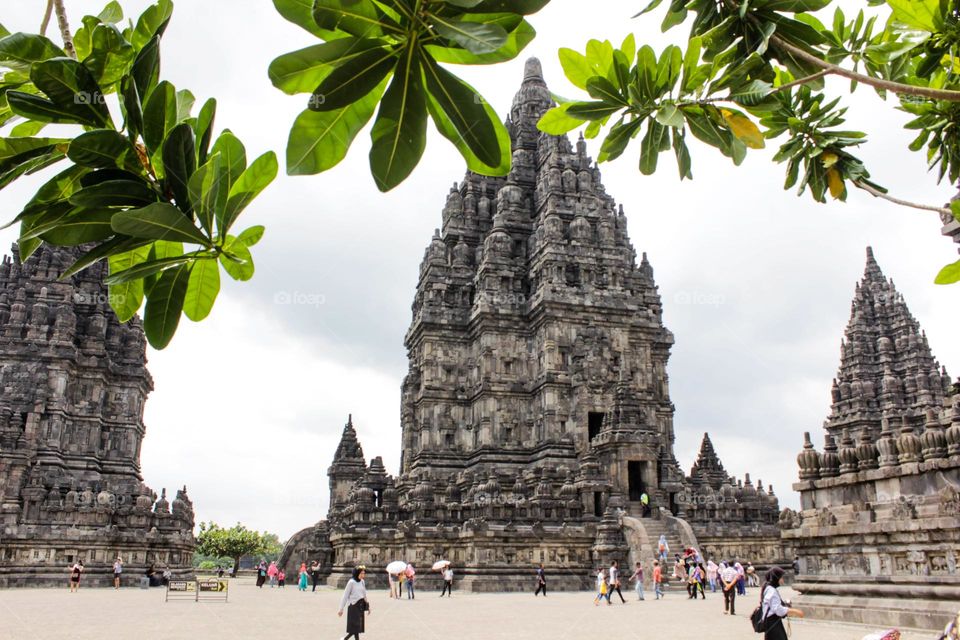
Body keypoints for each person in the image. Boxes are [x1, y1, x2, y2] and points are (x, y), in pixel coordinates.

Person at [759, 567, 804, 640]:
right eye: (781, 577)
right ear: (776, 578)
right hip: (772, 623)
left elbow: (773, 605)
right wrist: (795, 611)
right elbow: (778, 610)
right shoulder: (772, 591)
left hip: (770, 622)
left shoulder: (768, 588)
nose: (782, 580)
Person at [337, 566, 369, 640]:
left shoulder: (362, 581)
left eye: (364, 573)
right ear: (357, 573)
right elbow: (345, 595)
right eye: (361, 573)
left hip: (360, 606)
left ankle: (345, 638)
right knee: (355, 626)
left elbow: (364, 594)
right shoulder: (351, 582)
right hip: (353, 606)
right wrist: (341, 609)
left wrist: (368, 605)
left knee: (357, 626)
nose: (363, 575)